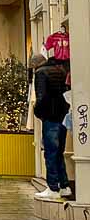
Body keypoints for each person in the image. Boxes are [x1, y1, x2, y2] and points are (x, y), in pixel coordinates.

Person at [32, 53, 72, 200]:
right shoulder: (60, 70)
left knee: (50, 153)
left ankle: (53, 187)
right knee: (59, 153)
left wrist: (38, 112)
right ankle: (64, 186)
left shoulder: (40, 73)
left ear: (36, 65)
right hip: (62, 116)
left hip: (50, 117)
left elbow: (41, 97)